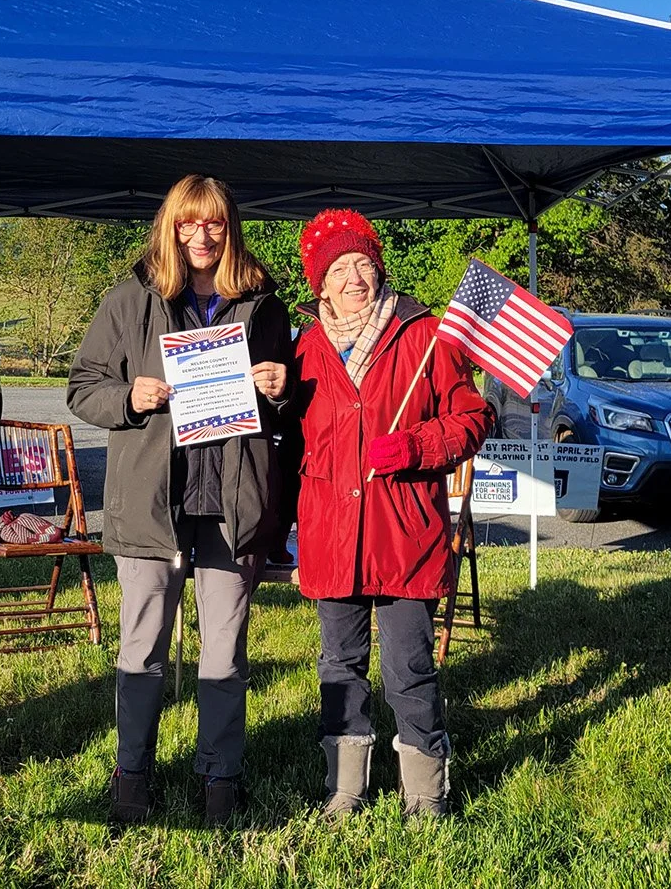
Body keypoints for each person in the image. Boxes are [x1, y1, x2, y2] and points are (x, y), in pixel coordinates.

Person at [67, 174, 292, 825]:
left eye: (214, 223)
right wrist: (129, 399)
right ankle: (131, 777)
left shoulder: (262, 303)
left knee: (224, 650)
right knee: (143, 648)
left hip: (232, 499)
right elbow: (83, 388)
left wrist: (281, 386)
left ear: (231, 228)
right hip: (150, 504)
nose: (201, 235)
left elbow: (285, 401)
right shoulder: (130, 299)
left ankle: (220, 783)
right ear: (171, 226)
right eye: (188, 223)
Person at [288, 208, 492, 818]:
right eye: (339, 269)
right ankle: (345, 787)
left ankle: (425, 794)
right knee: (339, 664)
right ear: (318, 285)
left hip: (403, 529)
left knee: (409, 663)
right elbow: (289, 448)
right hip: (330, 531)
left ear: (379, 270)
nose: (354, 278)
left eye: (363, 264)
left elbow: (473, 418)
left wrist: (417, 446)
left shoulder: (426, 335)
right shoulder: (304, 350)